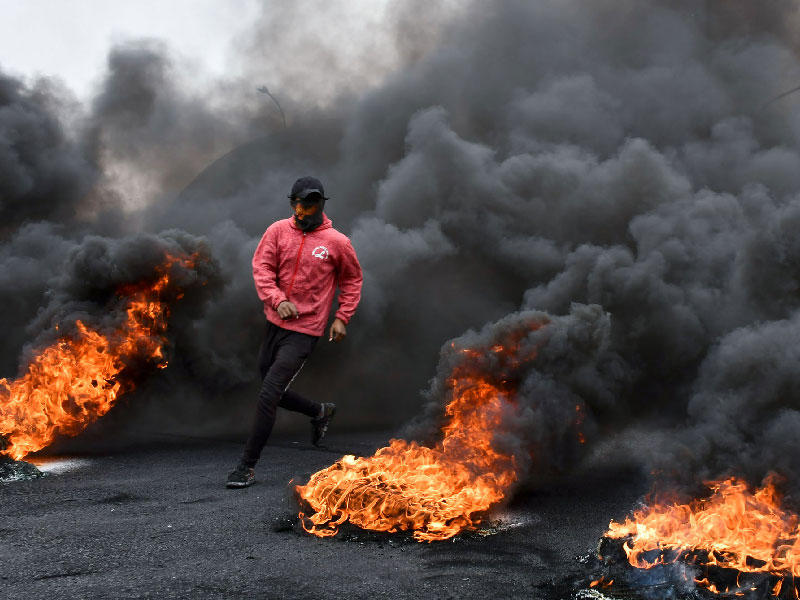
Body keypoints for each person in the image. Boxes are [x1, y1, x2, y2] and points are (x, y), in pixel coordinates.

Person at [226, 176, 363, 488]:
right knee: (270, 387)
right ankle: (319, 412)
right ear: (292, 203)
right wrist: (278, 300)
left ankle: (246, 467)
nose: (303, 210)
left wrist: (342, 317)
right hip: (274, 324)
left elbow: (352, 280)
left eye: (311, 203)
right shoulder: (277, 231)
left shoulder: (337, 243)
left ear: (321, 204)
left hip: (305, 330)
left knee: (268, 394)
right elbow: (262, 268)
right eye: (299, 203)